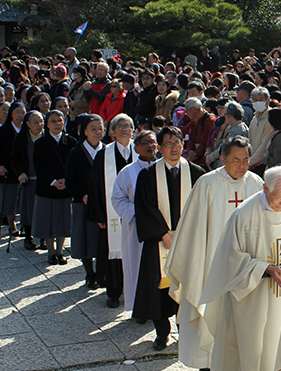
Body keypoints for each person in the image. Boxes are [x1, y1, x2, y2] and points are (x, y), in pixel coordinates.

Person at [164, 135, 264, 371]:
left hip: (246, 262)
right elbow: (194, 228)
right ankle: (207, 363)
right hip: (211, 261)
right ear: (223, 159)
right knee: (212, 310)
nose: (241, 165)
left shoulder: (257, 184)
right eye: (235, 160)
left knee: (244, 314)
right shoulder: (207, 184)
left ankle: (242, 360)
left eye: (246, 160)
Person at [199, 165, 281, 371]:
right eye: (278, 198)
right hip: (249, 299)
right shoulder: (243, 215)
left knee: (278, 341)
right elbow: (229, 259)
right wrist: (265, 268)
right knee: (252, 348)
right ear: (265, 189)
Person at [133, 126, 205, 351]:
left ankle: (187, 333)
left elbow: (204, 208)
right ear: (160, 148)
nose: (173, 148)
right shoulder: (147, 175)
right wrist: (163, 234)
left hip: (191, 241)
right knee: (159, 290)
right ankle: (162, 333)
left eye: (177, 143)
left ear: (183, 145)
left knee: (188, 286)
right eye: (168, 144)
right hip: (159, 242)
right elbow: (144, 207)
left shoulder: (197, 174)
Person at [87, 114, 136, 308]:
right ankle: (114, 292)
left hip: (135, 213)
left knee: (135, 252)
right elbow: (96, 187)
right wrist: (99, 214)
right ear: (112, 132)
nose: (125, 129)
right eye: (120, 126)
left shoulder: (141, 152)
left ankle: (134, 293)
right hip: (111, 215)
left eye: (128, 126)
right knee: (113, 253)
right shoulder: (103, 155)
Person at [111, 130, 157, 315]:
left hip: (161, 228)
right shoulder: (127, 172)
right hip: (136, 228)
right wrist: (139, 212)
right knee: (136, 267)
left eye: (153, 142)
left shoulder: (165, 168)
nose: (150, 146)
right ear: (136, 147)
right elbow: (117, 199)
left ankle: (158, 308)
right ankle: (139, 308)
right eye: (145, 142)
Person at [33, 110, 77, 265]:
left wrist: (66, 181)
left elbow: (74, 165)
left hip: (65, 188)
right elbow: (39, 166)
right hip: (47, 188)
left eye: (60, 120)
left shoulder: (71, 141)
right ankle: (51, 252)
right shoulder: (40, 142)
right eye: (53, 121)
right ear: (47, 124)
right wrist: (53, 181)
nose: (58, 124)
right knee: (48, 222)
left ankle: (60, 251)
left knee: (63, 222)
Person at [65, 115, 104, 287]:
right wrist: (82, 195)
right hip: (84, 202)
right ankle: (90, 273)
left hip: (104, 203)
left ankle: (104, 272)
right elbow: (70, 180)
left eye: (100, 128)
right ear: (84, 131)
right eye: (93, 128)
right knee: (85, 238)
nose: (97, 132)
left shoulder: (108, 150)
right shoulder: (76, 152)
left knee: (103, 239)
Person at [11, 111, 44, 250]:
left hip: (44, 180)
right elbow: (14, 159)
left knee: (44, 211)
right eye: (35, 122)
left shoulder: (46, 137)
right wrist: (20, 173)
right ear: (28, 124)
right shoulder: (22, 137)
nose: (39, 125)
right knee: (29, 210)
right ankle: (28, 237)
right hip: (29, 179)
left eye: (41, 121)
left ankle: (44, 238)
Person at [0, 102, 26, 236]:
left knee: (23, 198)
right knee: (10, 197)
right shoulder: (4, 130)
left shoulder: (27, 128)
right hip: (8, 167)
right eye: (17, 113)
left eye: (22, 113)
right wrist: (0, 165)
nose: (20, 116)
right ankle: (11, 224)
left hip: (23, 167)